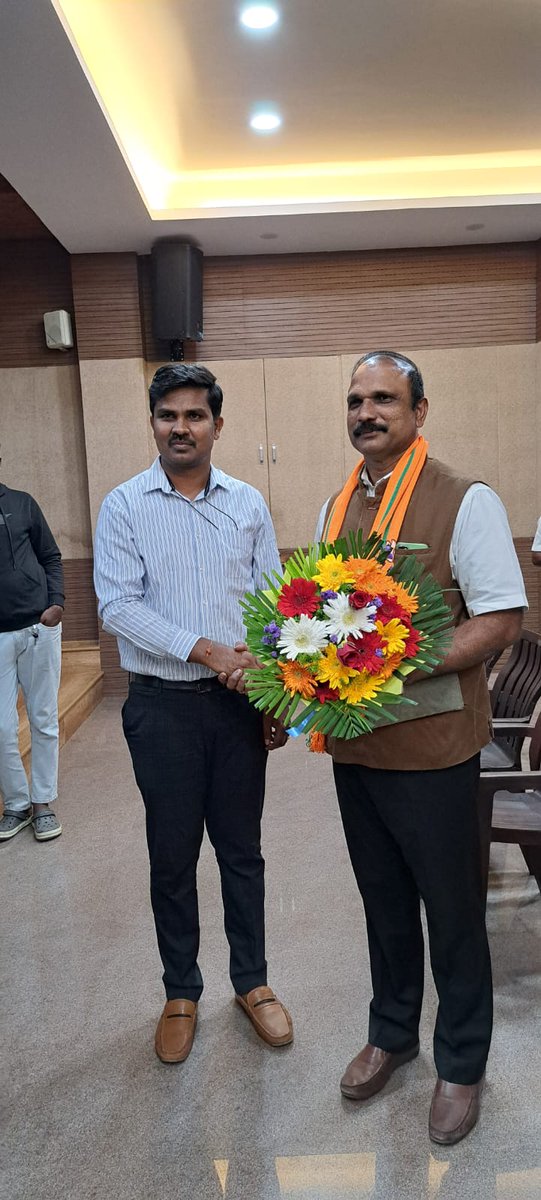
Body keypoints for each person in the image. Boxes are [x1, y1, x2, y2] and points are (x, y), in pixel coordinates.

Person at [315, 350, 526, 1145]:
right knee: (380, 903)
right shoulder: (336, 509)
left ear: (419, 411)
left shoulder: (460, 499)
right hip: (355, 749)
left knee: (451, 910)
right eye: (355, 400)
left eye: (383, 399)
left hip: (435, 749)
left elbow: (499, 617)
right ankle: (393, 1033)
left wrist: (399, 659)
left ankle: (462, 1062)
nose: (366, 413)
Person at [93, 363, 292, 1063]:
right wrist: (203, 649)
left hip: (238, 710)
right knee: (172, 856)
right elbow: (116, 607)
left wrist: (274, 692)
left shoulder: (246, 503)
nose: (181, 427)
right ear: (152, 423)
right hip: (162, 711)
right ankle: (181, 990)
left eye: (194, 415)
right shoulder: (124, 505)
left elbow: (275, 603)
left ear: (217, 424)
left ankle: (253, 983)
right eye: (168, 415)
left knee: (242, 851)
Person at [0, 464, 64, 842]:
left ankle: (42, 803)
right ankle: (16, 804)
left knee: (43, 719)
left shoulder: (22, 504)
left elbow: (50, 556)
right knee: (3, 726)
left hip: (38, 627)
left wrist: (56, 604)